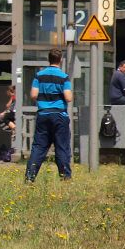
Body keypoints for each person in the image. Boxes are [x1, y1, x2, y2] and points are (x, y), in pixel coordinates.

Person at [25, 48, 73, 183]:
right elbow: (68, 97)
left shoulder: (39, 75)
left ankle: (30, 177)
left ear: (49, 59)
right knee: (62, 147)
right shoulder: (64, 77)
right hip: (59, 116)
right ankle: (65, 178)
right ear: (61, 60)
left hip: (43, 115)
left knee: (39, 147)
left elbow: (33, 95)